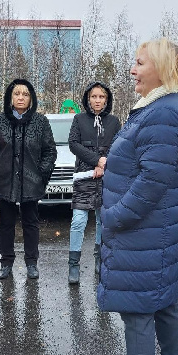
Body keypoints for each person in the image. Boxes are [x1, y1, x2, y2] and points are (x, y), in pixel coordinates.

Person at [97, 38, 178, 355]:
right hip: (159, 233)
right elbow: (151, 166)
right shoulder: (165, 106)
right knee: (166, 303)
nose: (132, 69)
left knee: (138, 314)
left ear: (161, 68)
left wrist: (113, 216)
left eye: (139, 63)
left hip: (144, 233)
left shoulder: (163, 112)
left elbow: (151, 184)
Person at [0, 79, 57, 280]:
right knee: (6, 224)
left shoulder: (40, 122)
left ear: (31, 98)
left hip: (31, 182)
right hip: (4, 181)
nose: (21, 97)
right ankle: (6, 262)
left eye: (25, 94)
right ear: (10, 97)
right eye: (17, 94)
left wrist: (41, 175)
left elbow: (50, 151)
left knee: (31, 223)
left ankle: (32, 263)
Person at [67, 81, 121, 284]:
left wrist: (104, 164)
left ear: (107, 100)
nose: (97, 100)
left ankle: (100, 260)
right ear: (87, 98)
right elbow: (73, 144)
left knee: (102, 221)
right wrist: (95, 161)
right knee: (78, 221)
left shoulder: (114, 121)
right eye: (94, 96)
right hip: (84, 176)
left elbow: (118, 146)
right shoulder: (79, 119)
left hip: (107, 178)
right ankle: (73, 265)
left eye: (101, 97)